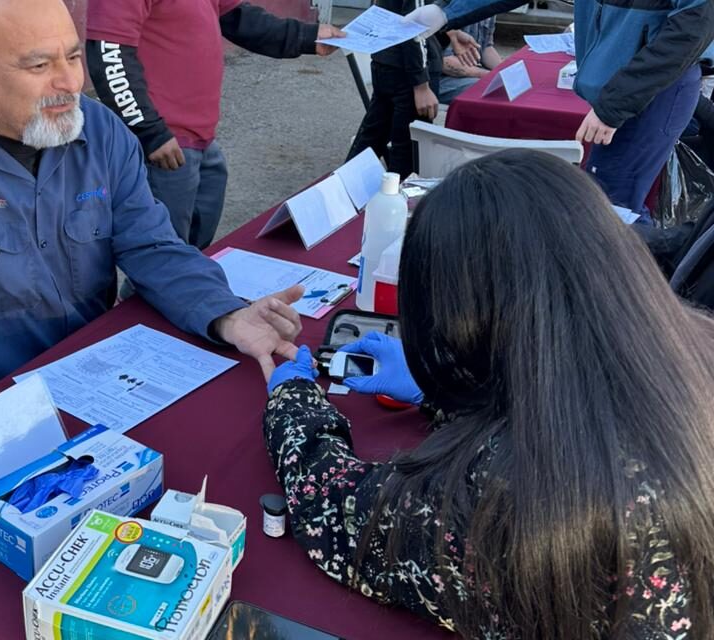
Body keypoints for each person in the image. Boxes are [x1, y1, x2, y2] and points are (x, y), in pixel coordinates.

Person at [262, 150, 714, 637]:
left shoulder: (513, 484)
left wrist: (293, 401)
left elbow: (339, 514)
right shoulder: (692, 350)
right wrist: (446, 392)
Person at [0, 0, 304, 453]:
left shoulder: (100, 131)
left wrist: (226, 314)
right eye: (39, 65)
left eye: (74, 57)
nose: (69, 83)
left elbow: (154, 247)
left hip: (95, 387)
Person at [406, 0, 714, 216]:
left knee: (614, 210)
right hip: (620, 87)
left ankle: (633, 287)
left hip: (652, 90)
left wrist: (614, 105)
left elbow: (690, 30)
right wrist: (447, 12)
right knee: (606, 202)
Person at [85, 2, 343, 256]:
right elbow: (109, 55)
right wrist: (150, 132)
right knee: (162, 256)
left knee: (195, 251)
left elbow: (238, 18)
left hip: (202, 139)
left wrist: (307, 36)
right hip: (163, 146)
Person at [345, 0, 478, 178]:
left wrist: (451, 32)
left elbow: (412, 14)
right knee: (407, 154)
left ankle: (341, 187)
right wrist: (421, 85)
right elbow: (413, 26)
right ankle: (394, 192)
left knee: (372, 138)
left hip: (390, 62)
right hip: (407, 73)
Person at [437, 17, 501, 104]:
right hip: (437, 79)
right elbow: (444, 62)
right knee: (492, 90)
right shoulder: (447, 11)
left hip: (469, 73)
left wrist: (504, 71)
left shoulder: (489, 10)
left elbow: (486, 47)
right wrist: (491, 76)